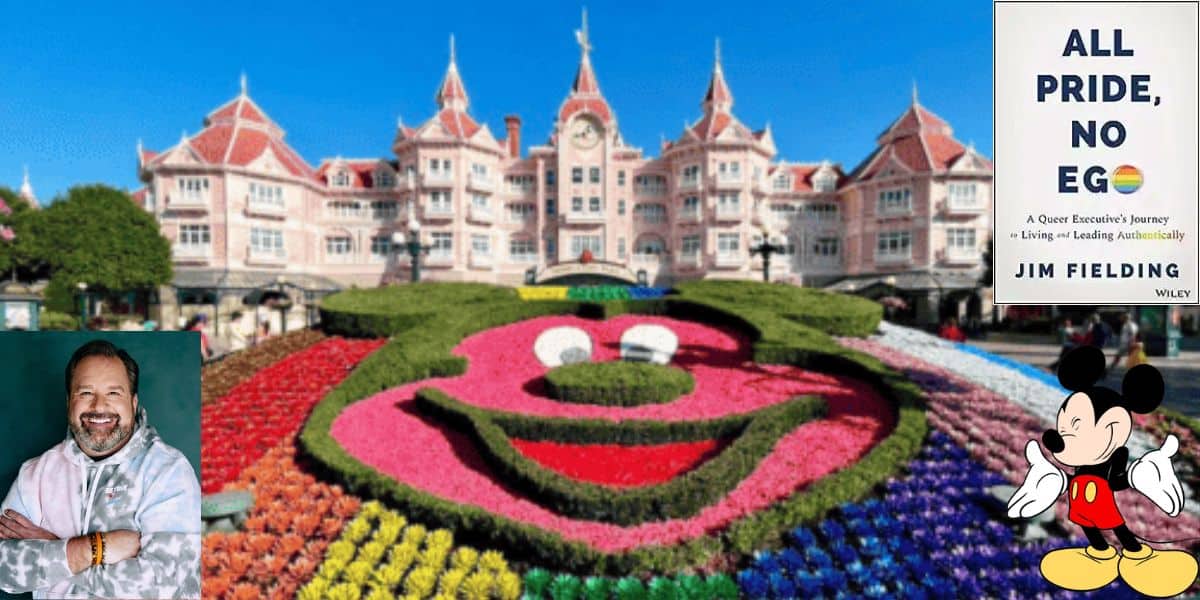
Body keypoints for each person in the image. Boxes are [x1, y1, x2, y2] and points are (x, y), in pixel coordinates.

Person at [0, 340, 200, 598]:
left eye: (114, 393)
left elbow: (162, 585)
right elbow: (4, 567)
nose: (98, 406)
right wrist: (92, 549)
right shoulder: (35, 474)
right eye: (85, 393)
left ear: (134, 402)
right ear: (68, 402)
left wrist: (53, 546)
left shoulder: (167, 471)